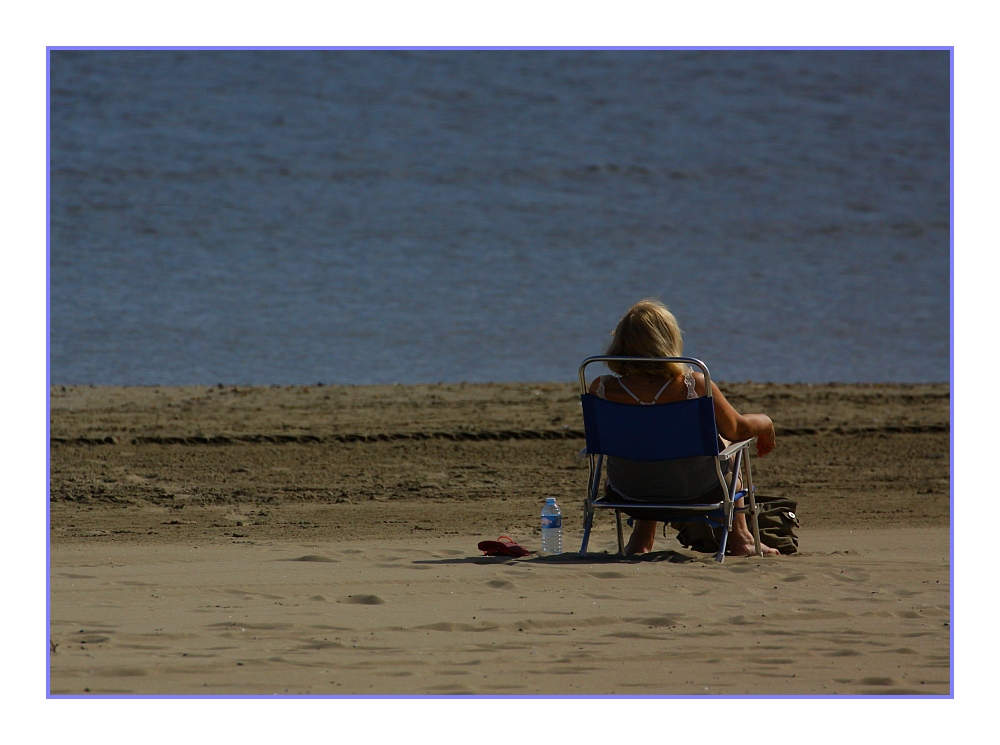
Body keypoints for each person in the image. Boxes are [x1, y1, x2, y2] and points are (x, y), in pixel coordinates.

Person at [589, 299, 780, 557]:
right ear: (668, 342)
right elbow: (738, 430)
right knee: (728, 447)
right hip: (697, 492)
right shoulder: (696, 385)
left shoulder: (602, 389)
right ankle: (741, 538)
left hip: (627, 492)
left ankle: (640, 541)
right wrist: (766, 424)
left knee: (647, 446)